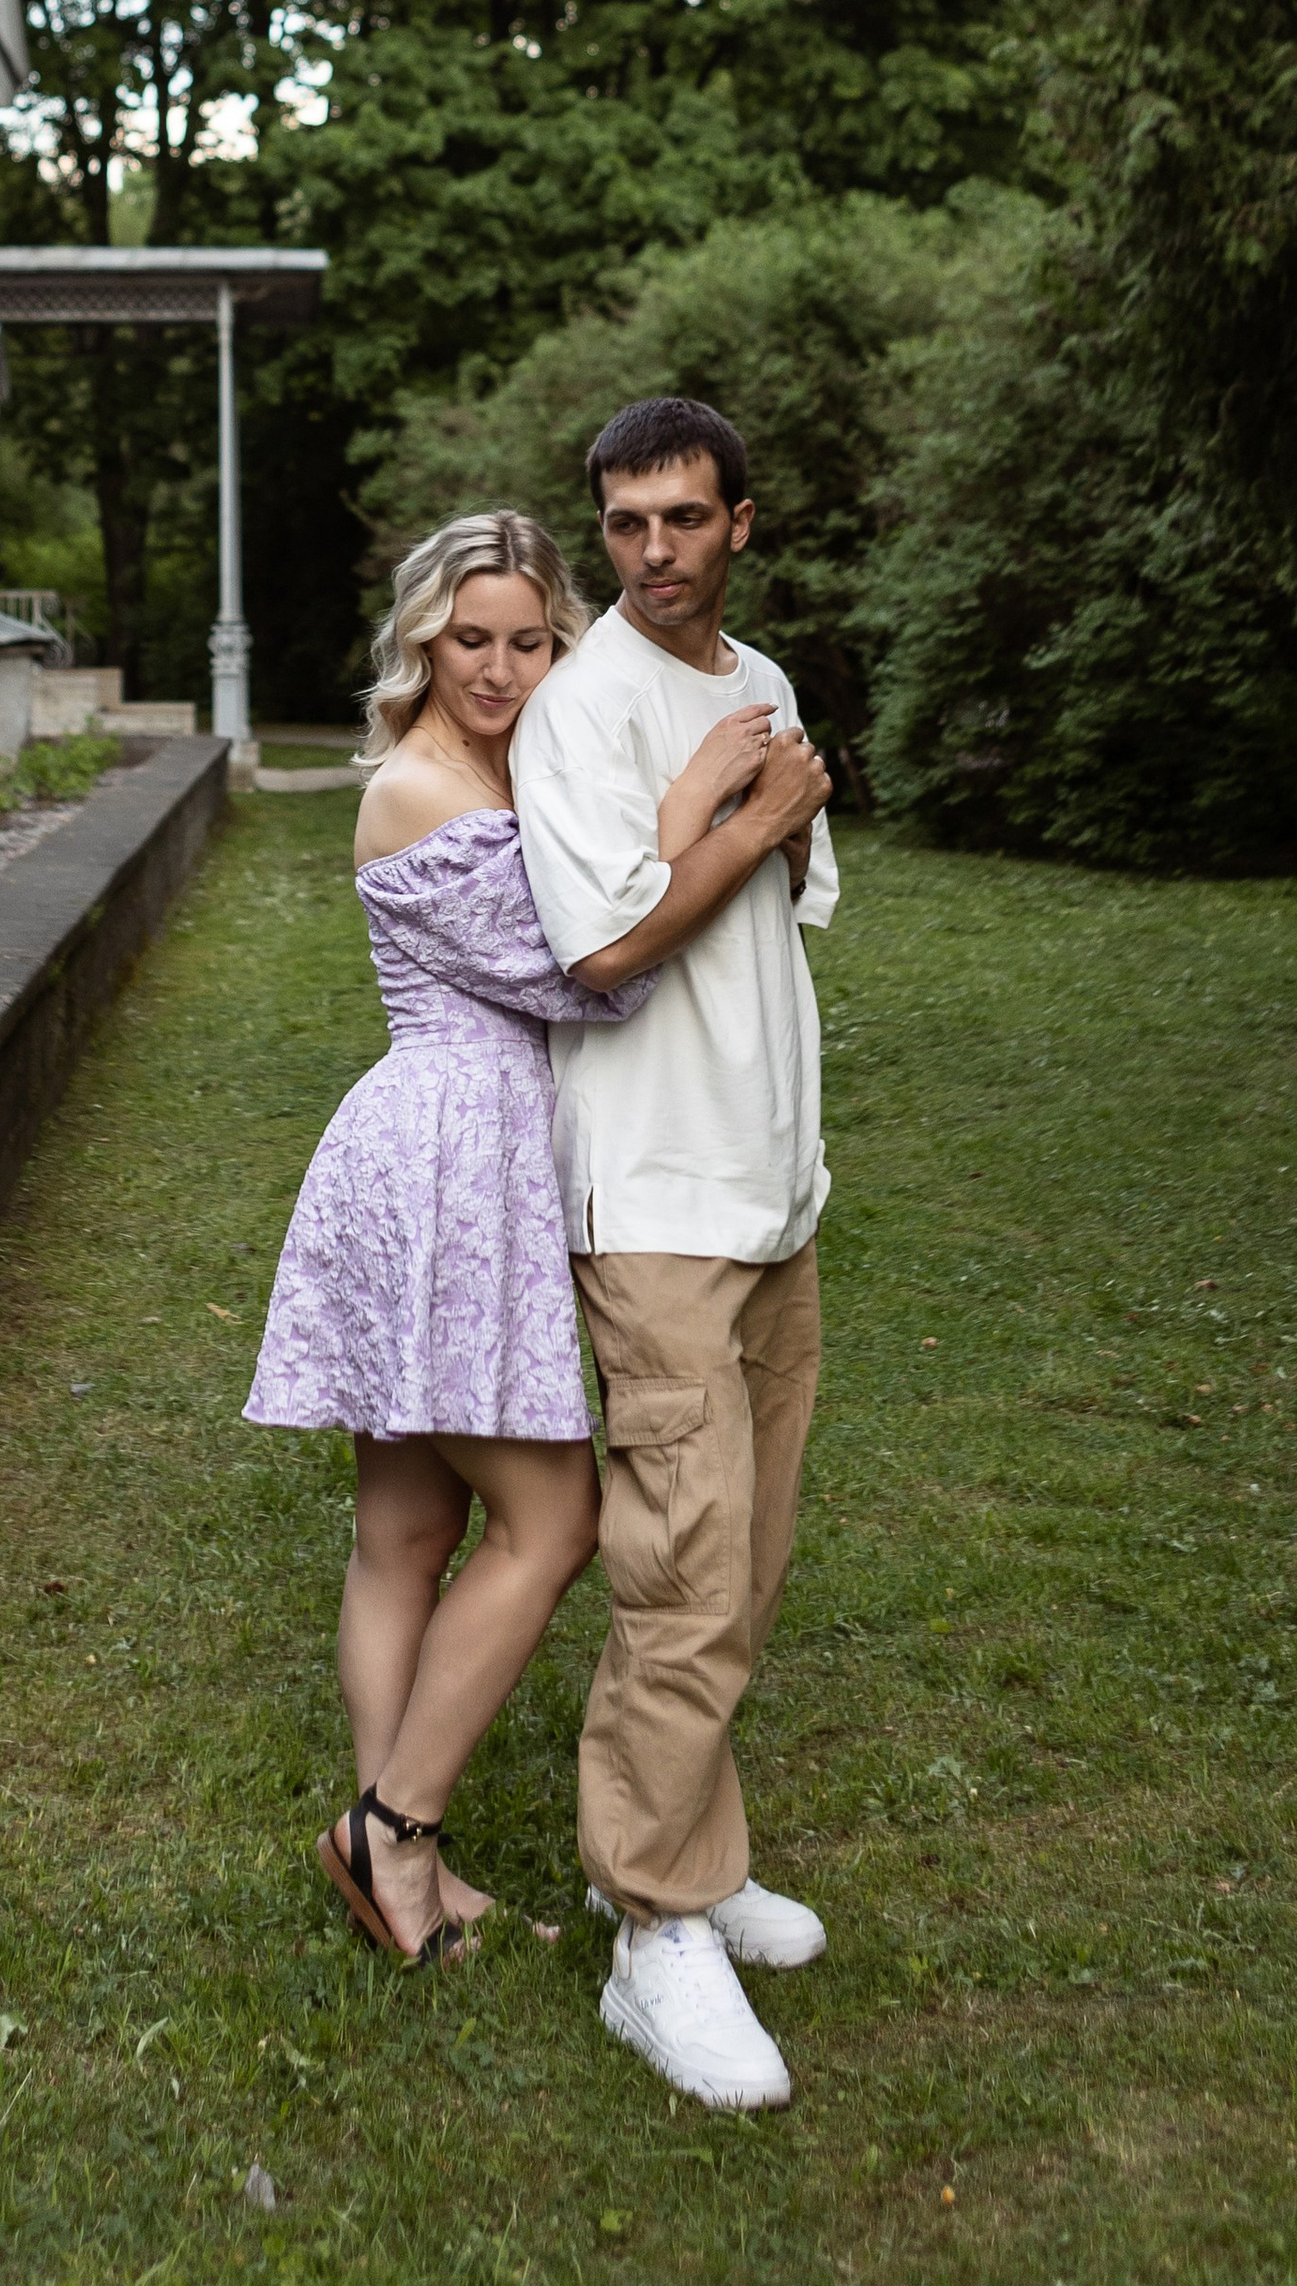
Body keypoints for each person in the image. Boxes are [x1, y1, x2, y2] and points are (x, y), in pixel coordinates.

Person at [244, 507, 767, 1968]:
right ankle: (393, 1829)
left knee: (410, 1529)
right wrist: (714, 816)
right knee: (557, 1520)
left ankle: (401, 1858)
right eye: (468, 637)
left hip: (461, 1150)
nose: (497, 664)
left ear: (561, 638)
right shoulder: (422, 787)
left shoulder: (509, 760)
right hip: (442, 1161)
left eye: (530, 638)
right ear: (424, 637)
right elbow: (583, 970)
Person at [508, 396, 837, 2111]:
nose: (653, 553)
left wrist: (759, 794)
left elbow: (791, 896)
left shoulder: (760, 680)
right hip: (652, 1200)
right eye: (625, 524)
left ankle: (686, 1852)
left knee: (748, 1553)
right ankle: (651, 1933)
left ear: (741, 522)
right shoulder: (584, 713)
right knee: (681, 1565)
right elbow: (608, 949)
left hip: (770, 1187)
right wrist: (728, 803)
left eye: (684, 519)